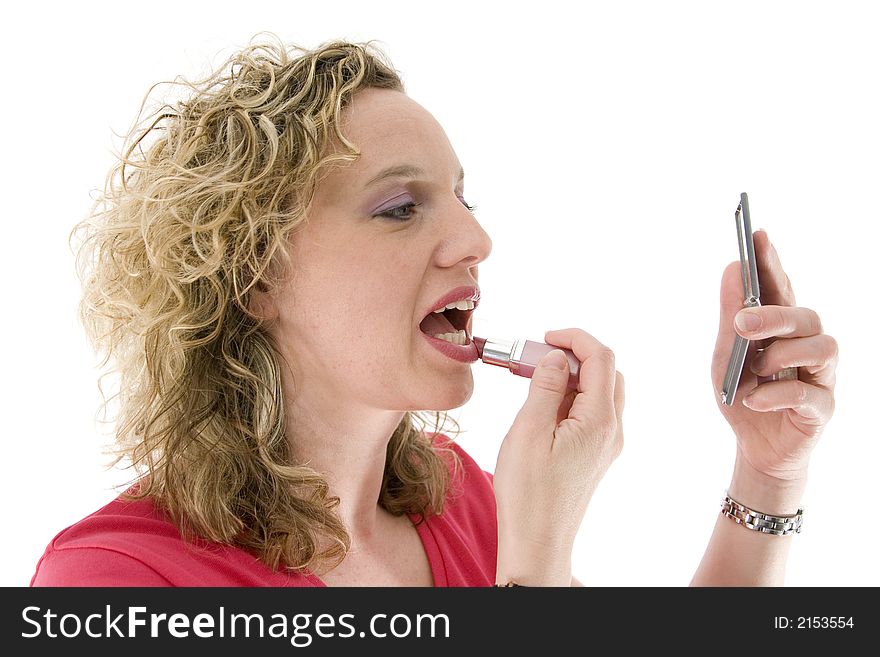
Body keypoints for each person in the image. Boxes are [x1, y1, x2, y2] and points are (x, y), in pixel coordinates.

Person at [31, 35, 838, 587]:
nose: (475, 238)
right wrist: (537, 563)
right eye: (398, 208)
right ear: (253, 273)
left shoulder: (464, 505)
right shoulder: (119, 578)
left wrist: (768, 473)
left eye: (461, 197)